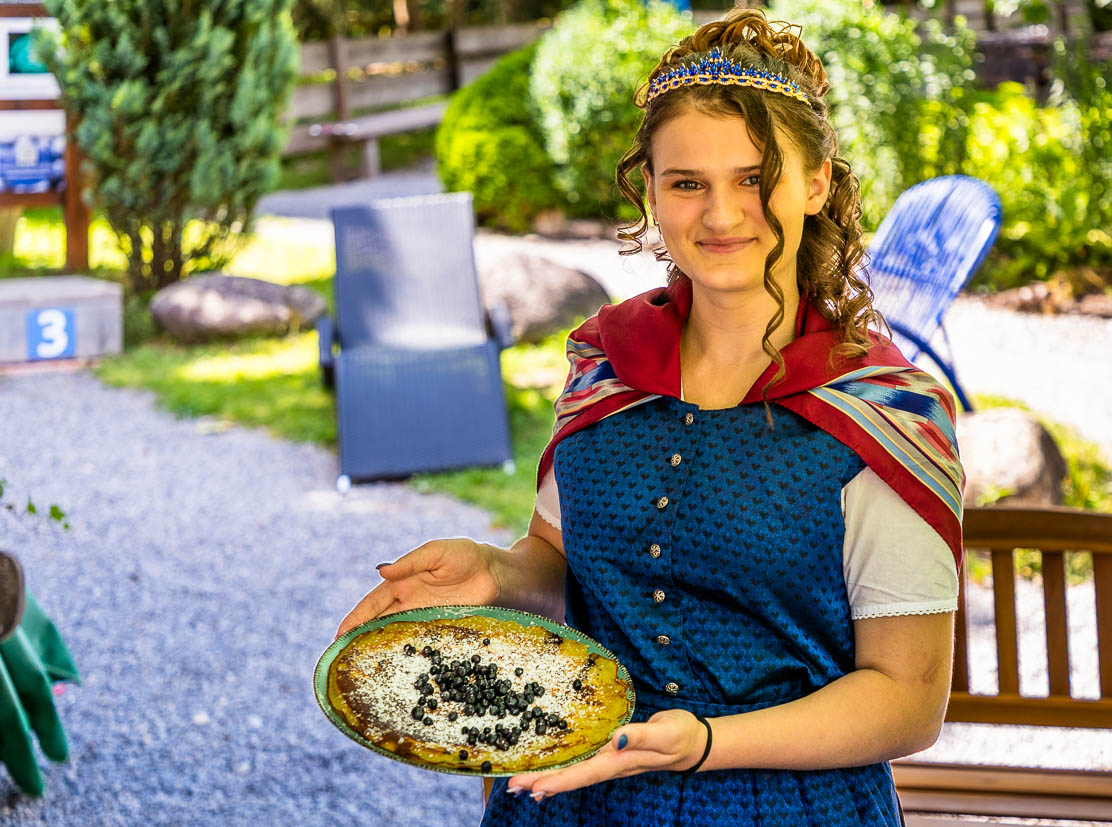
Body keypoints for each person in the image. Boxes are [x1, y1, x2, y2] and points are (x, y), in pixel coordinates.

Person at [337, 10, 964, 825]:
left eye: (754, 177)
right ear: (651, 192)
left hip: (787, 808)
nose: (721, 214)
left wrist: (706, 741)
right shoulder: (607, 364)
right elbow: (555, 562)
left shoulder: (886, 412)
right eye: (687, 182)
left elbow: (910, 700)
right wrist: (496, 571)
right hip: (567, 801)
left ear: (815, 183)